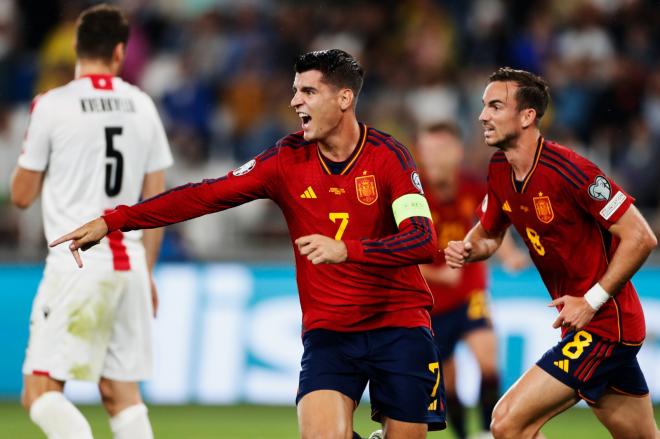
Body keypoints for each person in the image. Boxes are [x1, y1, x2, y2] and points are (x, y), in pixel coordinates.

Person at [51, 49, 446, 439]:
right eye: (295, 90)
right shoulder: (285, 160)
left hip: (399, 323)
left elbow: (423, 240)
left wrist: (348, 250)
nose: (294, 101)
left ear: (344, 99)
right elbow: (204, 195)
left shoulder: (389, 157)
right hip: (331, 332)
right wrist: (114, 220)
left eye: (308, 92)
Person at [444, 67, 659, 439]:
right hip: (583, 326)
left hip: (607, 325)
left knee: (507, 421)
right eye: (483, 106)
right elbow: (490, 235)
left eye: (495, 106)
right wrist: (467, 248)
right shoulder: (499, 169)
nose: (482, 116)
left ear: (527, 116)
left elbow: (641, 237)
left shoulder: (570, 171)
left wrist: (591, 301)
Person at [11, 4, 173, 439]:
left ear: (77, 48)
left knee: (40, 392)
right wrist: (150, 272)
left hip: (76, 264)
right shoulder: (142, 105)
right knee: (122, 396)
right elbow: (157, 201)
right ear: (120, 52)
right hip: (131, 265)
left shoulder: (52, 104)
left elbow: (21, 196)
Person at [415, 122, 527, 439]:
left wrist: (509, 255)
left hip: (470, 292)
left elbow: (491, 226)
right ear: (420, 153)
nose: (434, 156)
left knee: (487, 360)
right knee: (448, 380)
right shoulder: (412, 193)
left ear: (457, 151)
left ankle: (487, 430)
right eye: (429, 149)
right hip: (430, 304)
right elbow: (399, 252)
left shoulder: (473, 186)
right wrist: (438, 274)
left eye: (441, 148)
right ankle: (466, 436)